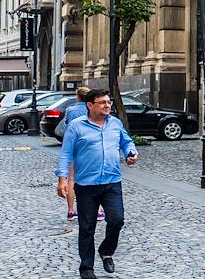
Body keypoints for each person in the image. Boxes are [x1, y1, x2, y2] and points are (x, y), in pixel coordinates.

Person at [55, 89, 138, 279]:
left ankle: (106, 251)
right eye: (102, 102)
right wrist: (62, 179)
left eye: (109, 102)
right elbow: (66, 154)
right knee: (87, 228)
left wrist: (130, 153)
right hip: (86, 185)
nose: (107, 105)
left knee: (117, 220)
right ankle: (86, 268)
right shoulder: (76, 126)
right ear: (90, 105)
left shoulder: (115, 124)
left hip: (112, 182)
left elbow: (126, 142)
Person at [62, 87, 94, 221]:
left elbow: (66, 126)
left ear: (77, 97)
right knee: (94, 177)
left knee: (72, 178)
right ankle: (97, 211)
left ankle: (70, 211)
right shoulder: (91, 109)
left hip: (74, 145)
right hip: (90, 146)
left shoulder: (71, 110)